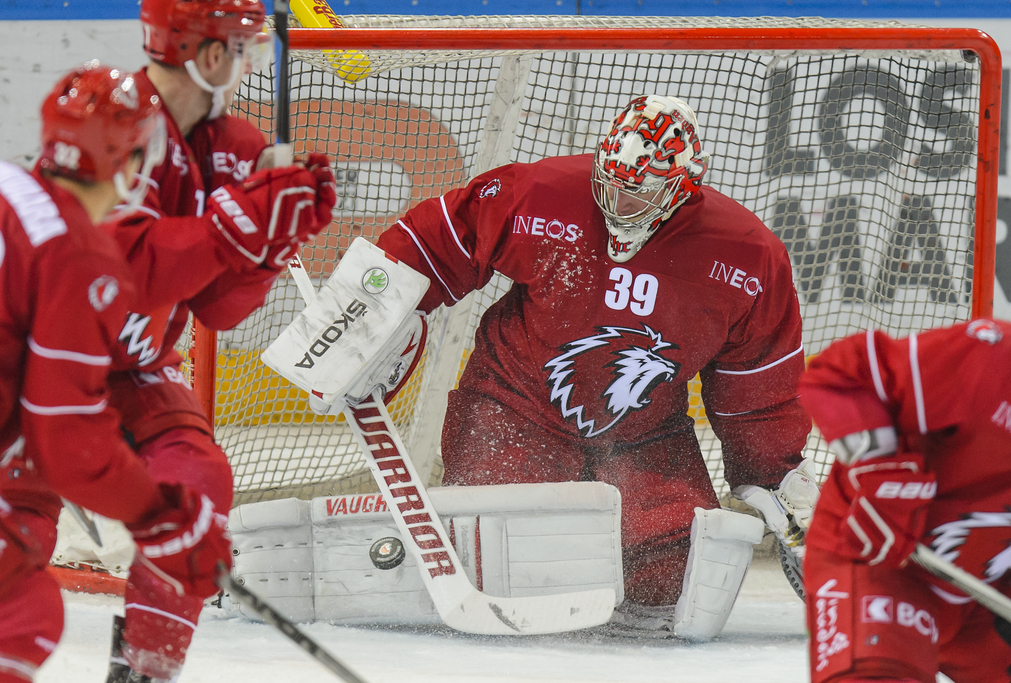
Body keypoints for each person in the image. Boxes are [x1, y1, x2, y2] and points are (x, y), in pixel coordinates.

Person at [367, 94, 815, 636]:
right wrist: (371, 312)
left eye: (640, 193)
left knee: (672, 575)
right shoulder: (540, 192)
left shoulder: (748, 256)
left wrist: (773, 472)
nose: (620, 204)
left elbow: (757, 382)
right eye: (612, 184)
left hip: (644, 433)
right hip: (516, 405)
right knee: (497, 556)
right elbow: (438, 241)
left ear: (684, 187)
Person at [89, 1, 336, 680]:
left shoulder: (236, 147)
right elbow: (125, 273)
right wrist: (239, 225)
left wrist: (266, 253)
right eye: (239, 46)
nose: (248, 60)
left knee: (198, 478)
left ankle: (144, 667)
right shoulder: (103, 125)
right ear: (204, 54)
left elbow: (217, 309)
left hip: (131, 369)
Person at [0, 63, 233, 683]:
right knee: (23, 613)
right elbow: (68, 436)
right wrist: (166, 521)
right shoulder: (73, 252)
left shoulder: (10, 191)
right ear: (127, 160)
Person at [799, 318, 1011, 683]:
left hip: (987, 594)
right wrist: (881, 473)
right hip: (880, 563)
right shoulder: (993, 363)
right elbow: (838, 376)